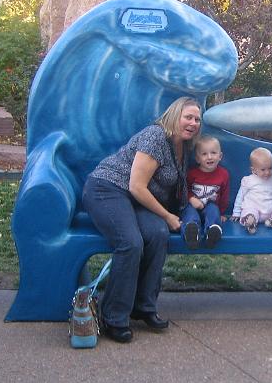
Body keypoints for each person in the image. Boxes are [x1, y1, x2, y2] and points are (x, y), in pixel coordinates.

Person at [81, 97, 201, 343]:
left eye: (197, 119)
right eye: (188, 116)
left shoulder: (183, 148)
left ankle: (143, 307)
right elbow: (136, 186)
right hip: (108, 189)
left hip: (136, 200)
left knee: (158, 234)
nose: (193, 123)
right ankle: (113, 316)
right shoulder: (155, 136)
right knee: (131, 243)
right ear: (174, 115)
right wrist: (167, 216)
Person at [231, 147, 272, 235]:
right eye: (263, 169)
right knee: (248, 213)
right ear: (253, 170)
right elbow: (240, 196)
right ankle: (250, 223)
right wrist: (236, 213)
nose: (267, 172)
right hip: (254, 210)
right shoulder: (248, 181)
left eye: (270, 168)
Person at [181, 135, 230, 249]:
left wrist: (222, 213)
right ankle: (191, 233)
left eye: (213, 153)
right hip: (192, 205)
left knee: (213, 210)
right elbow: (184, 190)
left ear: (220, 156)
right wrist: (191, 198)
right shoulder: (192, 174)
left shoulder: (223, 174)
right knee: (190, 214)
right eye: (204, 154)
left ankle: (213, 231)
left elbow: (224, 195)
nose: (209, 157)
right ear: (197, 158)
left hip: (210, 206)